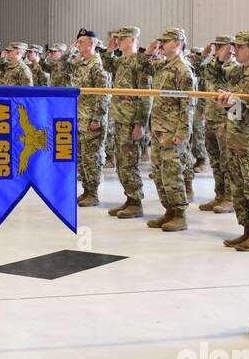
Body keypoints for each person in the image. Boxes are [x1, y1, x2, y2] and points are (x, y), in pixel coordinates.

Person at [218, 30, 249, 250]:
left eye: (240, 46)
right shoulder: (238, 72)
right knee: (238, 190)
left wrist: (234, 106)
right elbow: (215, 71)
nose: (234, 50)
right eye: (234, 46)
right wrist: (228, 105)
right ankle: (246, 229)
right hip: (235, 139)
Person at [143, 28, 196, 232]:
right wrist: (148, 52)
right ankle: (169, 210)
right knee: (159, 173)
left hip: (172, 131)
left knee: (173, 173)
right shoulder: (163, 66)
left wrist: (182, 133)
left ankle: (180, 214)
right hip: (158, 129)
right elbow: (143, 66)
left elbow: (188, 105)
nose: (162, 45)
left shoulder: (183, 70)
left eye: (166, 41)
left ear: (177, 43)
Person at [104, 26, 151, 219]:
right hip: (120, 119)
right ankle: (129, 199)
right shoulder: (122, 61)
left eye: (121, 39)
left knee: (130, 163)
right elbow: (107, 64)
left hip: (132, 121)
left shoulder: (140, 62)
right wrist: (109, 48)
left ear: (131, 40)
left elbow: (146, 96)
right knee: (122, 163)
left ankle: (136, 202)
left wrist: (140, 124)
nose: (118, 42)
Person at [64, 30, 111, 207]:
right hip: (79, 118)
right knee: (83, 157)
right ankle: (86, 190)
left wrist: (97, 118)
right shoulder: (81, 64)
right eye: (78, 42)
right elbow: (62, 65)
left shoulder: (98, 65)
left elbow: (104, 94)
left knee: (92, 157)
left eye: (82, 42)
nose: (78, 45)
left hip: (92, 119)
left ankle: (94, 193)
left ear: (92, 43)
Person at [198, 37, 235, 213]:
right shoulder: (214, 66)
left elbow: (225, 75)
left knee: (227, 161)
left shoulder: (234, 67)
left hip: (225, 120)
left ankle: (230, 197)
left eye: (222, 46)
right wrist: (208, 56)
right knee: (214, 160)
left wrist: (222, 60)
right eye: (217, 46)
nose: (218, 50)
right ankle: (219, 194)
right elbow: (203, 73)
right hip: (211, 118)